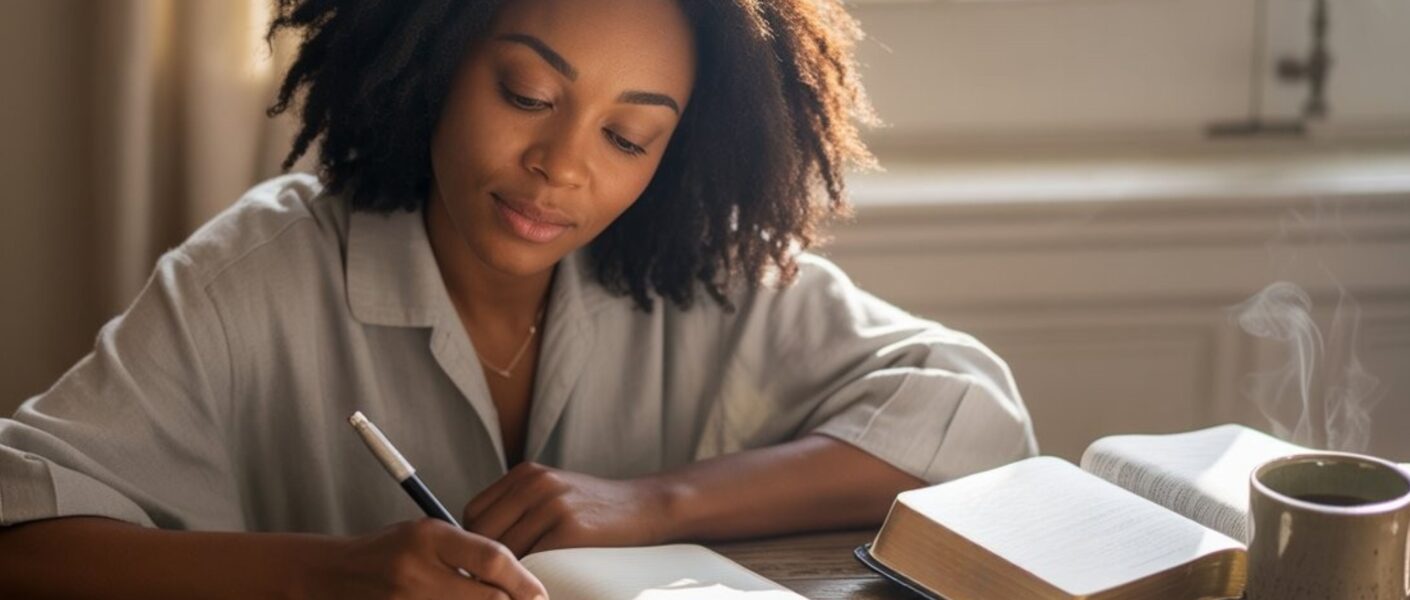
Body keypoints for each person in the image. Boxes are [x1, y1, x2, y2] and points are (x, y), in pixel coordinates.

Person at [0, 0, 1037, 597]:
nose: (561, 166)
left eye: (628, 137)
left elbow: (975, 419)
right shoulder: (255, 273)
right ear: (435, 59)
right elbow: (23, 532)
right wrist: (339, 576)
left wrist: (651, 504)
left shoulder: (694, 264)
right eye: (528, 96)